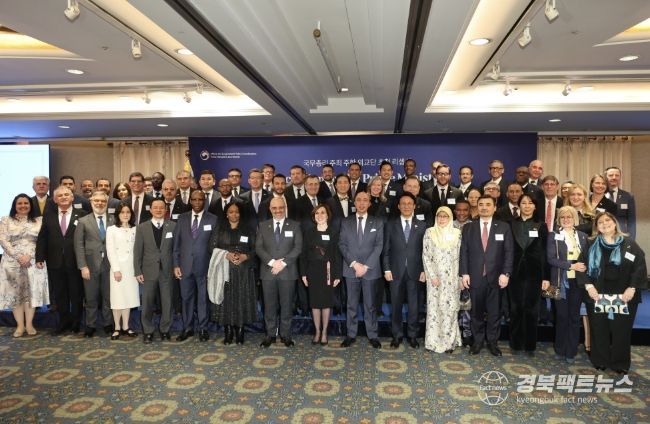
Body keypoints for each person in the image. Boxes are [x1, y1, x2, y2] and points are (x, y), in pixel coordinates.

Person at [581, 212, 647, 374]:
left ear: (615, 222)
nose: (604, 224)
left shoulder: (629, 243)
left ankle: (620, 363)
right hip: (597, 293)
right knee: (598, 328)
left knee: (621, 330)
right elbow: (581, 266)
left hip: (625, 294)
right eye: (600, 222)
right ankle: (600, 360)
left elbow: (639, 267)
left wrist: (632, 288)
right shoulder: (590, 243)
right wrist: (589, 287)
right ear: (597, 227)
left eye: (607, 220)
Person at [460, 195, 514, 356]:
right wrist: (464, 273)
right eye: (481, 204)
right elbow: (464, 252)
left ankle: (492, 342)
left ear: (494, 207)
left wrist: (506, 273)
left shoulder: (503, 227)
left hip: (496, 277)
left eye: (488, 204)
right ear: (477, 207)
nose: (484, 207)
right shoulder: (469, 227)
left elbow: (509, 252)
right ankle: (477, 342)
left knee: (494, 313)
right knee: (475, 313)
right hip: (475, 277)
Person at [36, 186, 87, 335]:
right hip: (55, 261)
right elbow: (42, 238)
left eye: (66, 194)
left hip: (76, 261)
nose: (63, 197)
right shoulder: (48, 216)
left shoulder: (82, 215)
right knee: (60, 294)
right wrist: (39, 257)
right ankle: (63, 323)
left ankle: (76, 323)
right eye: (60, 195)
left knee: (76, 294)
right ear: (55, 199)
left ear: (72, 197)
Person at [339, 191, 384, 349]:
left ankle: (372, 335)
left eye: (365, 200)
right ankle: (351, 334)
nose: (362, 203)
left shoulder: (377, 222)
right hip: (351, 269)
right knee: (351, 304)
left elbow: (379, 246)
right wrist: (354, 264)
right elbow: (342, 245)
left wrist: (365, 266)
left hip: (370, 270)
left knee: (370, 305)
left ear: (370, 203)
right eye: (358, 200)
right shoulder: (346, 222)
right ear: (354, 202)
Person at [256, 197, 303, 348]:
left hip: (287, 272)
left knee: (287, 305)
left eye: (281, 207)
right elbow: (259, 248)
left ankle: (285, 335)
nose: (278, 211)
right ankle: (270, 335)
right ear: (270, 209)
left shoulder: (295, 225)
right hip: (268, 272)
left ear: (285, 208)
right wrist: (272, 262)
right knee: (269, 306)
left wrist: (282, 263)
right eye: (275, 208)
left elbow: (298, 247)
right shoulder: (263, 226)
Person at [209, 202, 257, 345]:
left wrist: (245, 256)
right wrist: (226, 254)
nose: (234, 214)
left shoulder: (248, 229)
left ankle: (240, 331)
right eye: (231, 212)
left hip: (244, 272)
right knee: (226, 301)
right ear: (226, 214)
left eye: (236, 212)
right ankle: (228, 331)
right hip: (224, 271)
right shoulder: (220, 229)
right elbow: (211, 247)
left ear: (240, 213)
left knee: (241, 299)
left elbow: (255, 249)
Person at [173, 190, 218, 342]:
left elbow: (215, 245)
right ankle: (187, 328)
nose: (197, 202)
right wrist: (176, 265)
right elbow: (176, 244)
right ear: (190, 201)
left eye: (200, 199)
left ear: (204, 201)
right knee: (186, 298)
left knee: (203, 299)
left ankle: (203, 328)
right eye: (194, 199)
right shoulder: (182, 218)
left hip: (205, 266)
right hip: (184, 266)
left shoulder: (213, 219)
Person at [0, 194, 48, 337]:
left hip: (33, 261)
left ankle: (29, 324)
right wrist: (19, 256)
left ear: (30, 205)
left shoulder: (39, 221)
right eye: (19, 203)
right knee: (16, 294)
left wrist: (30, 255)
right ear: (14, 205)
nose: (23, 206)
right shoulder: (6, 220)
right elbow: (3, 240)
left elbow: (42, 241)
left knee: (31, 293)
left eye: (26, 203)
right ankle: (20, 326)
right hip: (12, 262)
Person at [508, 194, 549, 356]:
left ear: (535, 206)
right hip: (515, 272)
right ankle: (516, 345)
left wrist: (546, 277)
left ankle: (530, 345)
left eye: (530, 203)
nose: (527, 206)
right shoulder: (511, 224)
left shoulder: (541, 225)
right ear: (519, 206)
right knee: (516, 308)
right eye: (523, 203)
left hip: (535, 273)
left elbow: (545, 252)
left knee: (532, 310)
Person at [383, 193, 426, 349]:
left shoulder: (422, 225)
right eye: (403, 203)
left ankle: (413, 336)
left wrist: (424, 270)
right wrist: (386, 269)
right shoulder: (390, 224)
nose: (406, 206)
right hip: (395, 271)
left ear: (414, 206)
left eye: (409, 203)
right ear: (398, 206)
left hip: (415, 272)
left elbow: (425, 251)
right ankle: (397, 335)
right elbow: (386, 250)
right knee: (396, 306)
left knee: (414, 306)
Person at [546, 206, 588, 364]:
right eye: (563, 217)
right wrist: (571, 265)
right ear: (559, 219)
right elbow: (551, 259)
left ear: (574, 218)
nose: (566, 219)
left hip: (578, 281)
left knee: (574, 316)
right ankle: (560, 349)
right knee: (561, 316)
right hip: (558, 281)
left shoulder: (583, 236)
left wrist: (583, 266)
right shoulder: (553, 235)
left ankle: (571, 351)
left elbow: (588, 257)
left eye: (569, 217)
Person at [134, 198, 176, 344]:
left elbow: (175, 250)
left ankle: (165, 330)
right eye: (155, 207)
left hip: (167, 271)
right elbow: (137, 251)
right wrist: (137, 270)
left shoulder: (173, 226)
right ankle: (148, 331)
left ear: (165, 210)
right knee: (147, 303)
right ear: (150, 210)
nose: (158, 210)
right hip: (148, 271)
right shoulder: (142, 227)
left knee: (167, 302)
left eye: (161, 208)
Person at [74, 191, 115, 337]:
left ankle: (108, 324)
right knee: (91, 297)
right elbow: (78, 245)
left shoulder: (114, 219)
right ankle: (90, 325)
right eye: (96, 201)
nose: (100, 203)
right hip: (90, 266)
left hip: (110, 265)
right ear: (91, 202)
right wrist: (82, 266)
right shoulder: (83, 221)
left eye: (103, 201)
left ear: (107, 203)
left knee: (108, 297)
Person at [300, 204, 341, 345]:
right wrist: (303, 274)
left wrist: (338, 275)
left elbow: (337, 255)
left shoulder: (334, 232)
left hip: (328, 271)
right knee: (315, 303)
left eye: (323, 212)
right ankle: (317, 331)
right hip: (312, 271)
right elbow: (303, 255)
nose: (320, 215)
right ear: (314, 216)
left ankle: (324, 332)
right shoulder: (309, 232)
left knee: (326, 302)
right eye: (317, 213)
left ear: (328, 215)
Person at [422, 206, 461, 353]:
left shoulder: (457, 233)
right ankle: (433, 342)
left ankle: (449, 343)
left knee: (450, 309)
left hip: (452, 279)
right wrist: (432, 276)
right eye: (439, 216)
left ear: (450, 218)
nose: (442, 219)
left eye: (445, 216)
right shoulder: (430, 232)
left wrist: (460, 277)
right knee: (434, 310)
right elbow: (426, 255)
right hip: (435, 280)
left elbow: (460, 256)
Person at [105, 203, 139, 340]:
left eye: (128, 212)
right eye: (122, 212)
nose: (125, 215)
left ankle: (126, 326)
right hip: (118, 268)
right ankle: (117, 327)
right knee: (117, 298)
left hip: (131, 268)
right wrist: (116, 269)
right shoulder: (111, 229)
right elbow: (110, 250)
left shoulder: (136, 229)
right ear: (118, 215)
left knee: (128, 297)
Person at [604, 166, 636, 238]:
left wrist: (631, 240)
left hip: (622, 236)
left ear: (620, 178)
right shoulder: (599, 195)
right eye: (611, 175)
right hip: (603, 235)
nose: (614, 177)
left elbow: (632, 221)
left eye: (617, 175)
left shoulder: (628, 196)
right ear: (606, 178)